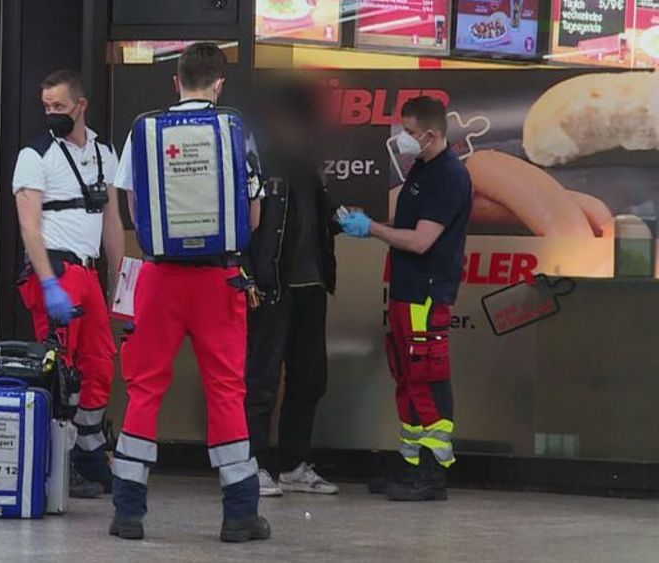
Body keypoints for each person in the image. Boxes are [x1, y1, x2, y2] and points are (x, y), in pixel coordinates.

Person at [110, 42, 269, 543]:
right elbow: (256, 216)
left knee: (144, 389)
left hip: (159, 281)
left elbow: (134, 211)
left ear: (175, 82)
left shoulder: (143, 132)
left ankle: (128, 513)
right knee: (226, 390)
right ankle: (240, 515)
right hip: (217, 281)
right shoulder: (237, 132)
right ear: (219, 84)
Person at [338, 95, 472, 502]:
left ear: (431, 134)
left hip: (426, 293)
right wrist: (374, 224)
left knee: (426, 377)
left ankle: (433, 473)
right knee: (407, 375)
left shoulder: (448, 175)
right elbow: (407, 224)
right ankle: (411, 462)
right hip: (406, 289)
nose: (404, 139)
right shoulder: (421, 170)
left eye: (410, 133)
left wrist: (372, 231)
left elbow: (420, 240)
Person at [12, 70, 125, 498]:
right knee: (61, 372)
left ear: (81, 106)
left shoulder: (103, 151)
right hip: (56, 270)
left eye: (59, 106)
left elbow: (112, 221)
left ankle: (90, 451)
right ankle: (58, 462)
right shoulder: (35, 154)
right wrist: (48, 283)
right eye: (46, 107)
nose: (51, 114)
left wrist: (119, 280)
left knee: (99, 361)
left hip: (88, 270)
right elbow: (29, 226)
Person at [245, 81, 340, 497]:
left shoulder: (309, 165)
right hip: (273, 285)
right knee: (262, 382)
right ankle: (254, 466)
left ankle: (293, 464)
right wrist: (250, 275)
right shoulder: (258, 161)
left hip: (312, 285)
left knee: (309, 378)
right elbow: (245, 228)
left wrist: (341, 221)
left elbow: (315, 222)